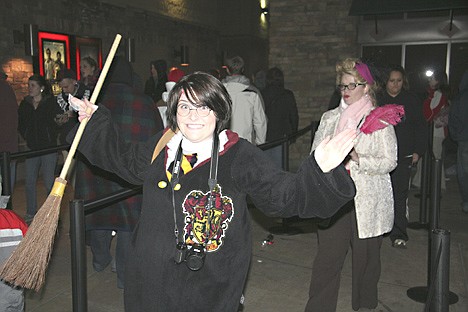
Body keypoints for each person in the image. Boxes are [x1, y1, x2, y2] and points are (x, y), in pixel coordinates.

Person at [69, 72, 358, 311]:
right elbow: (125, 161)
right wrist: (95, 121)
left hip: (207, 288)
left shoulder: (238, 155)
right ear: (174, 111)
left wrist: (320, 168)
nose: (193, 116)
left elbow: (284, 197)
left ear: (219, 111)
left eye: (204, 107)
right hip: (150, 282)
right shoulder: (164, 145)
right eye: (185, 107)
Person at [305, 59, 397, 312]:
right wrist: (326, 156)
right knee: (327, 258)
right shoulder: (330, 117)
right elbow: (314, 154)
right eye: (342, 85)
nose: (345, 90)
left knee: (367, 260)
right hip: (334, 196)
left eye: (351, 85)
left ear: (366, 87)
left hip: (367, 199)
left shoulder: (380, 119)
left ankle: (365, 304)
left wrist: (358, 158)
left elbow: (390, 161)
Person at [74, 57, 162, 289]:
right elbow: (156, 138)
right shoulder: (143, 102)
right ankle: (124, 275)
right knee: (128, 222)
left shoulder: (94, 103)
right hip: (128, 171)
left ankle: (100, 260)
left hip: (96, 172)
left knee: (100, 214)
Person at [378, 65, 427, 248]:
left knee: (399, 194)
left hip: (404, 153)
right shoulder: (379, 99)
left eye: (399, 81)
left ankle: (399, 232)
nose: (395, 85)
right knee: (383, 193)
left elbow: (420, 127)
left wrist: (418, 151)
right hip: (382, 154)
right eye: (392, 81)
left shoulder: (411, 100)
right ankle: (383, 229)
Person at [18, 74, 60, 224]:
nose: (30, 89)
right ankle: (31, 212)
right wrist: (27, 136)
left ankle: (51, 213)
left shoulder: (50, 103)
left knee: (49, 182)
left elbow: (57, 121)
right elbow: (21, 123)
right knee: (29, 181)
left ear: (41, 88)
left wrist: (51, 135)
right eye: (29, 85)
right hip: (32, 148)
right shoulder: (25, 104)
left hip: (48, 148)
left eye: (33, 85)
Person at [413, 69, 450, 190]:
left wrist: (429, 98)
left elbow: (429, 114)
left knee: (435, 159)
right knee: (429, 158)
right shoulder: (436, 94)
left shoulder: (438, 95)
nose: (429, 80)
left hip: (436, 132)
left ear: (438, 81)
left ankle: (437, 185)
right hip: (434, 132)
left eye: (432, 78)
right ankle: (422, 183)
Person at [222, 56, 267, 145]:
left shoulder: (218, 92)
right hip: (246, 143)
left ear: (227, 70)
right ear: (242, 69)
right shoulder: (252, 93)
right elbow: (260, 121)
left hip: (223, 142)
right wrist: (260, 143)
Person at [261, 67, 299, 168]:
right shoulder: (287, 95)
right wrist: (293, 134)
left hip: (266, 135)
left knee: (266, 166)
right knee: (280, 166)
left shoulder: (262, 94)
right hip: (282, 135)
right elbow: (293, 115)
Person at [449, 69, 468, 213]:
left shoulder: (460, 98)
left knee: (464, 172)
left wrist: (456, 136)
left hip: (463, 139)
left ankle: (467, 202)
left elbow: (453, 119)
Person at [55, 69, 91, 145]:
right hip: (66, 142)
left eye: (66, 87)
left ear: (74, 82)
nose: (64, 90)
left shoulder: (88, 95)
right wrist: (59, 121)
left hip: (85, 141)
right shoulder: (59, 99)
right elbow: (54, 118)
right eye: (62, 88)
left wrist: (74, 115)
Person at [0, 78, 18, 193]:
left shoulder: (4, 89)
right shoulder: (5, 89)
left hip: (5, 148)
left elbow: (9, 120)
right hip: (7, 146)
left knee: (5, 190)